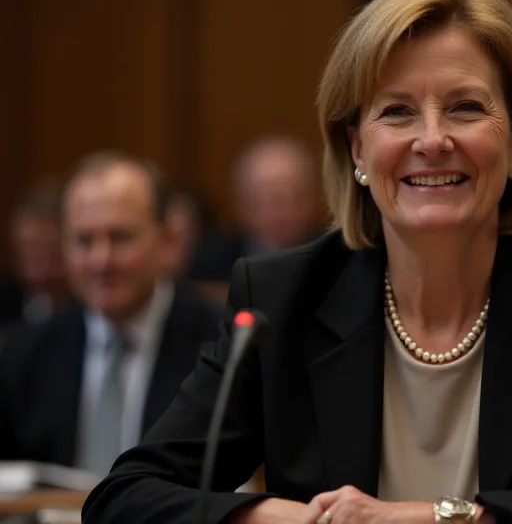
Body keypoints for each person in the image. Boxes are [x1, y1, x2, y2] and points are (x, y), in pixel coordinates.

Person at [82, 0, 512, 524]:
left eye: (466, 107)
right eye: (395, 113)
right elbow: (124, 499)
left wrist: (435, 517)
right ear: (357, 150)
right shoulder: (283, 298)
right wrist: (276, 515)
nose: (432, 140)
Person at [0, 152, 223, 475]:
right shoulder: (26, 353)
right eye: (84, 241)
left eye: (120, 238)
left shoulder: (219, 346)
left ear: (168, 241)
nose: (100, 261)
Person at [189, 136, 320, 280]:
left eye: (296, 198)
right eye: (274, 201)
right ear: (245, 206)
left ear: (311, 201)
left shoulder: (335, 257)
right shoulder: (208, 264)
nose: (285, 213)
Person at [0, 180, 71, 328]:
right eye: (29, 258)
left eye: (53, 258)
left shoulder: (99, 309)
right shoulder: (7, 301)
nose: (40, 273)